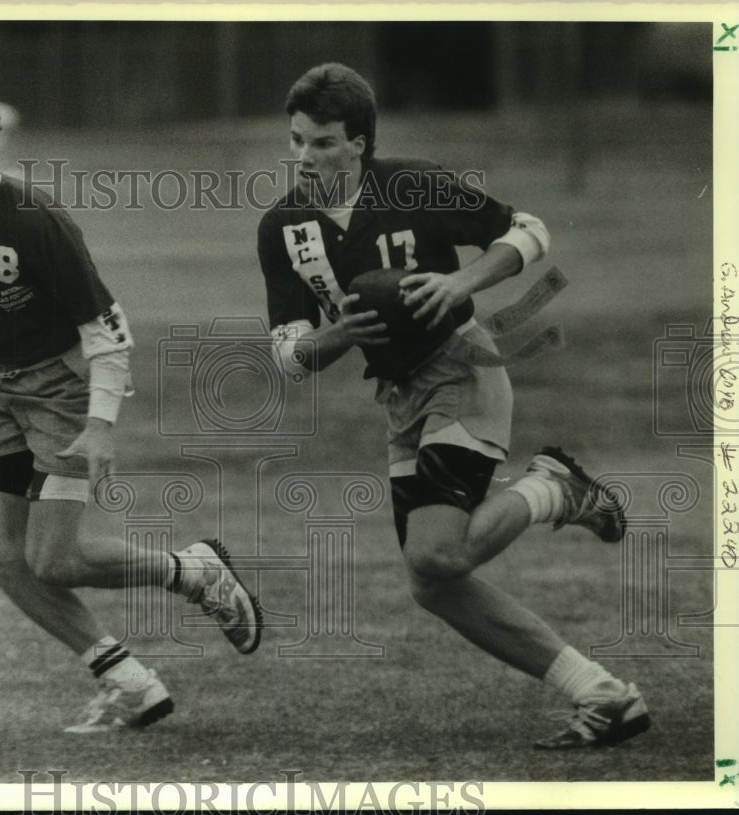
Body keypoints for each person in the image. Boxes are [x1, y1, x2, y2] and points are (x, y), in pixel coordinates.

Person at [256, 62, 649, 749]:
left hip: (462, 366)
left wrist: (461, 278)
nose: (305, 157)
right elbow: (288, 356)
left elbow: (529, 231)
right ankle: (601, 693)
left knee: (435, 554)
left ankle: (551, 488)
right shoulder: (284, 228)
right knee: (432, 582)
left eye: (322, 142)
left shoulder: (412, 183)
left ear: (359, 142)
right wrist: (337, 336)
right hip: (400, 394)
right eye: (296, 140)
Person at [0, 76, 262, 733]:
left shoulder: (36, 219)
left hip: (62, 386)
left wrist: (101, 424)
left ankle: (192, 571)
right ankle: (130, 682)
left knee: (54, 558)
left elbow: (107, 328)